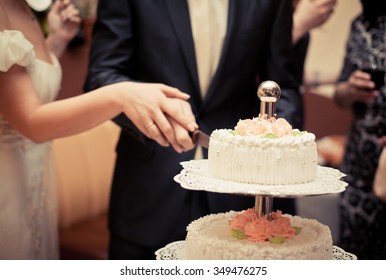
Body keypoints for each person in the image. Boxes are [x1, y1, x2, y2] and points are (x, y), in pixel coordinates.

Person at [84, 0, 303, 260]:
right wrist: (144, 106)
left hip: (237, 197)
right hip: (148, 192)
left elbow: (283, 87)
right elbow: (102, 74)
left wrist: (275, 145)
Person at [0, 0, 197, 259]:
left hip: (35, 180)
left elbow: (23, 82)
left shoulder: (24, 9)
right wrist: (120, 95)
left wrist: (56, 41)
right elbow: (31, 121)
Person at [333, 0, 386, 259]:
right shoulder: (360, 24)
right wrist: (349, 89)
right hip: (357, 172)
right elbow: (339, 95)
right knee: (354, 259)